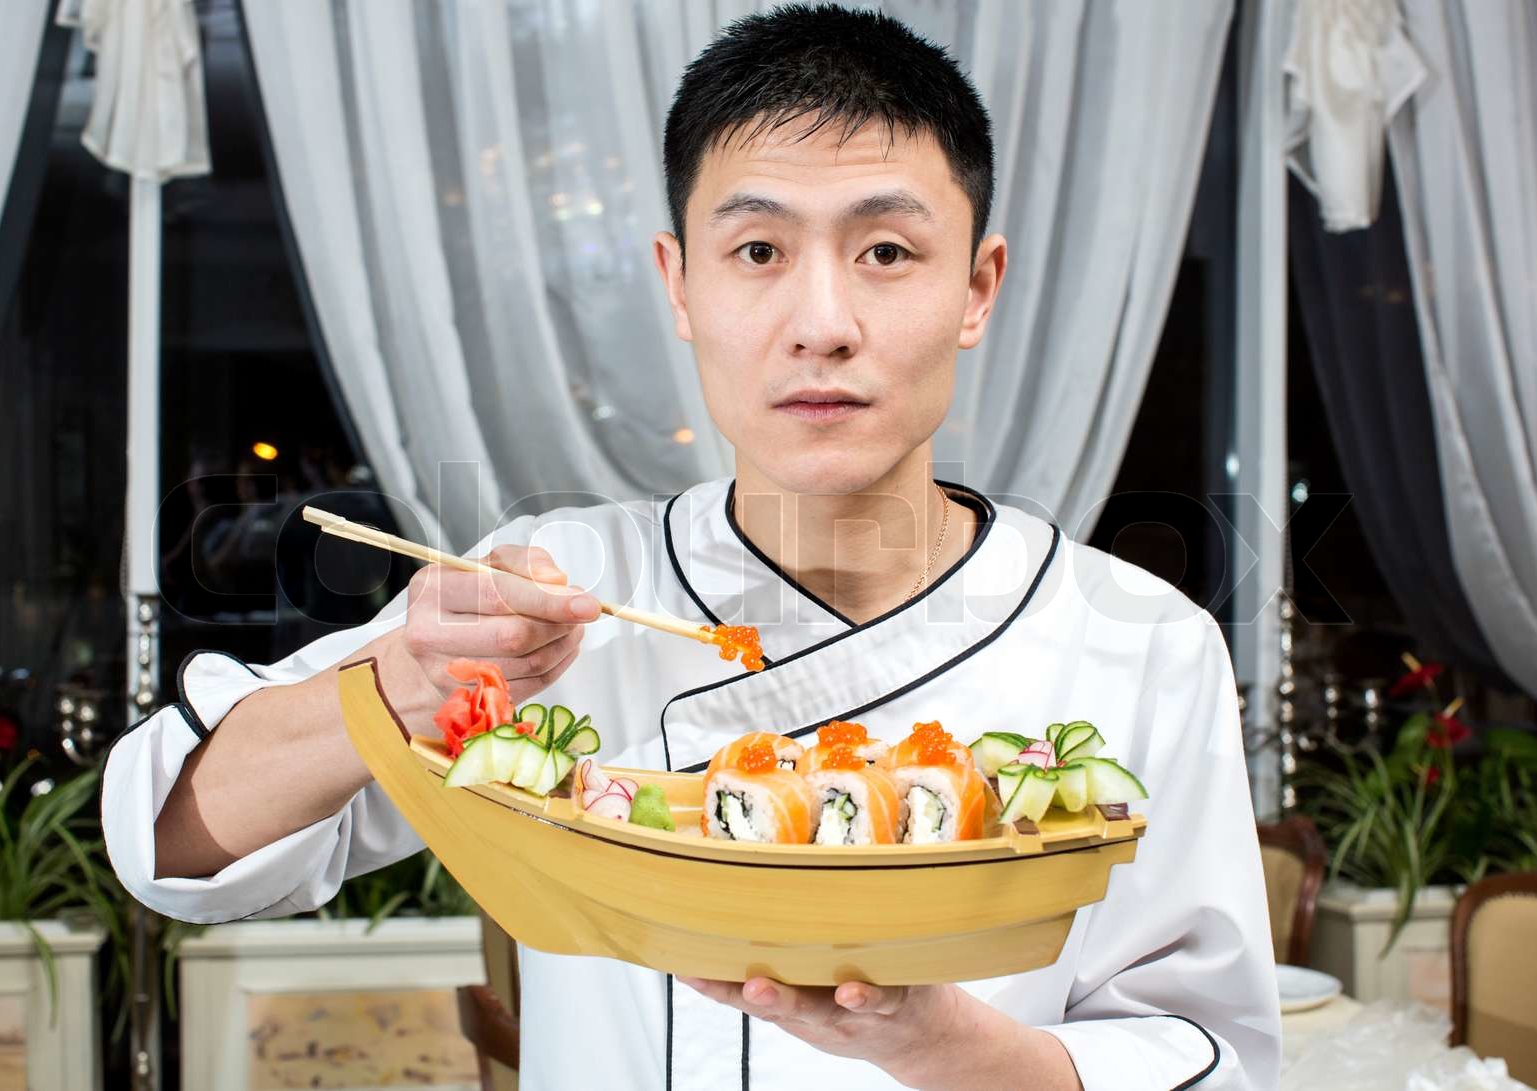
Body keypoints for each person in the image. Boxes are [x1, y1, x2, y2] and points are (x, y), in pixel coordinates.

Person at [102, 6, 1279, 1088]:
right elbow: (172, 840)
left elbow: (1217, 1057)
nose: (822, 325)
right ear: (679, 283)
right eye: (758, 251)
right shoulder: (549, 592)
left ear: (976, 288)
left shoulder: (1141, 644)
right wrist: (403, 685)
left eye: (885, 252)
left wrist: (946, 1042)